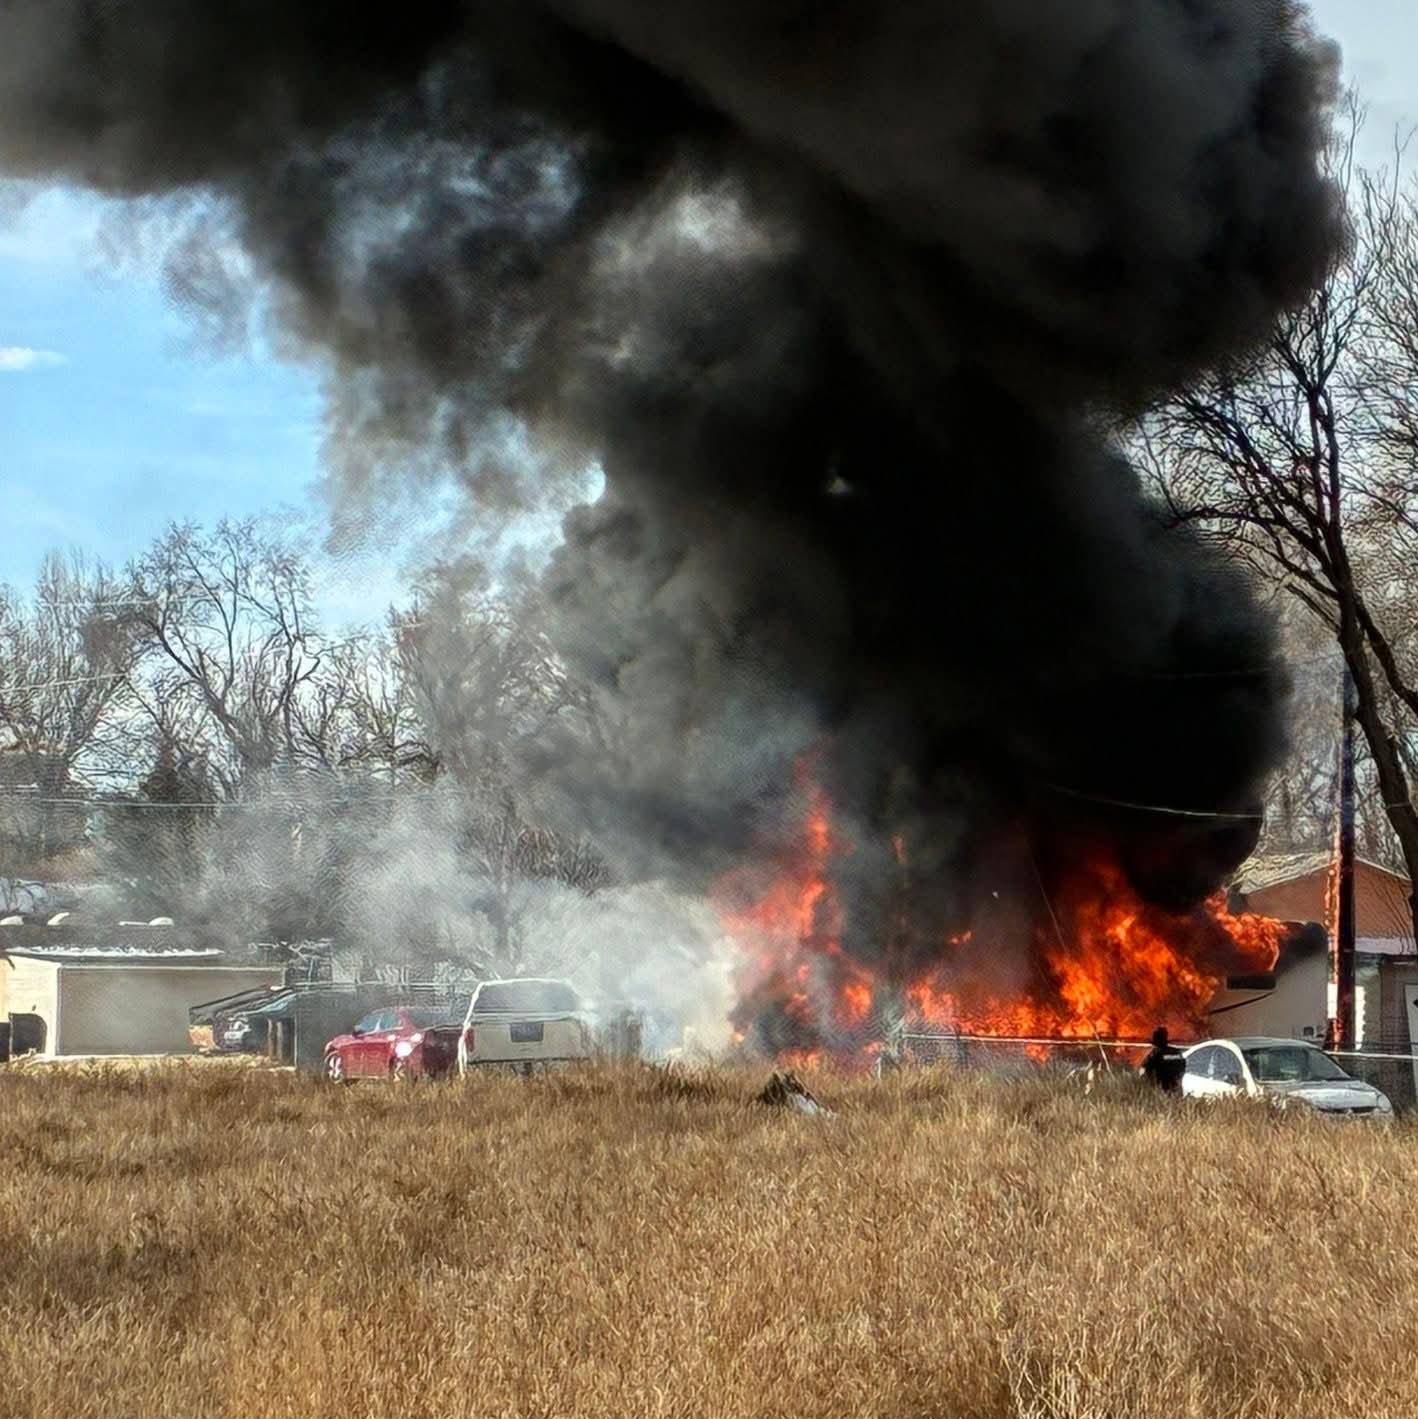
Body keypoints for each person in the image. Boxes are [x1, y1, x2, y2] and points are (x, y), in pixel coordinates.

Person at [1140, 1025, 1186, 1093]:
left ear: (1156, 1041)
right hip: (1175, 1090)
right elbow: (1182, 1067)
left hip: (1161, 1090)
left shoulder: (1156, 1054)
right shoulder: (1176, 1052)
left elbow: (1145, 1069)